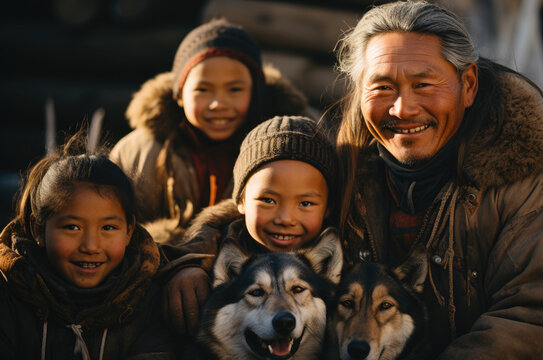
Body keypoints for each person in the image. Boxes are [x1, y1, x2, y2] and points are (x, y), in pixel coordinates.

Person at [330, 1, 543, 358]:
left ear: (468, 85)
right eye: (382, 87)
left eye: (424, 84)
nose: (402, 108)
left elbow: (537, 318)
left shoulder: (537, 182)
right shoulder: (345, 177)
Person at [110, 19, 310, 244]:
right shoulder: (139, 152)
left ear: (257, 94)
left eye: (235, 89)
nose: (218, 104)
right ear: (178, 95)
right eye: (202, 90)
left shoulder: (291, 148)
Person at [0, 134, 179, 359]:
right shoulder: (9, 295)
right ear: (39, 230)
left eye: (108, 228)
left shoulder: (149, 300)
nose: (91, 246)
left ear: (129, 231)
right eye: (73, 228)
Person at [162, 115, 338, 334]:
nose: (285, 219)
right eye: (268, 200)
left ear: (328, 208)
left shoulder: (339, 260)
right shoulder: (204, 264)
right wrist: (183, 267)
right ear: (241, 201)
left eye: (305, 203)